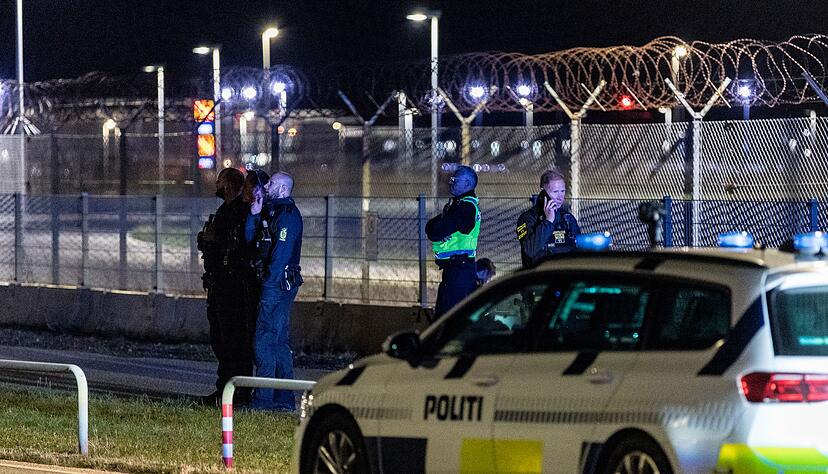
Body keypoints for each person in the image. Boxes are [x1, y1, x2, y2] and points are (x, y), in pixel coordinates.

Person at [245, 172, 304, 411]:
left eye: (271, 184)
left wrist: (268, 284)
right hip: (274, 284)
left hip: (277, 286)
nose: (266, 186)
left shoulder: (287, 217)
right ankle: (283, 400)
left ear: (282, 189)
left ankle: (263, 399)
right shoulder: (271, 212)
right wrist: (254, 215)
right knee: (278, 342)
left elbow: (280, 257)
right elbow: (253, 242)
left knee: (264, 340)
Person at [198, 168, 254, 405]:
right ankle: (224, 388)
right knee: (220, 340)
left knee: (234, 341)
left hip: (232, 286)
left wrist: (214, 240)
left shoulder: (240, 212)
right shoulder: (225, 210)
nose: (217, 186)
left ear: (229, 185)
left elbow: (237, 246)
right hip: (218, 284)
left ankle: (237, 391)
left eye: (220, 182)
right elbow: (210, 242)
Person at [426, 165, 481, 319]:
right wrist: (436, 228)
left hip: (460, 270)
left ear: (468, 184)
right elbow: (430, 226)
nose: (451, 182)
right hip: (456, 268)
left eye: (455, 180)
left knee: (447, 317)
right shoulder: (458, 205)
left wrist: (437, 229)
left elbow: (436, 232)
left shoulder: (465, 207)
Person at [516, 170, 581, 266]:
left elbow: (579, 250)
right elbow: (530, 250)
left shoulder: (567, 218)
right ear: (544, 194)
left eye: (562, 191)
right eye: (555, 192)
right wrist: (548, 221)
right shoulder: (527, 218)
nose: (560, 197)